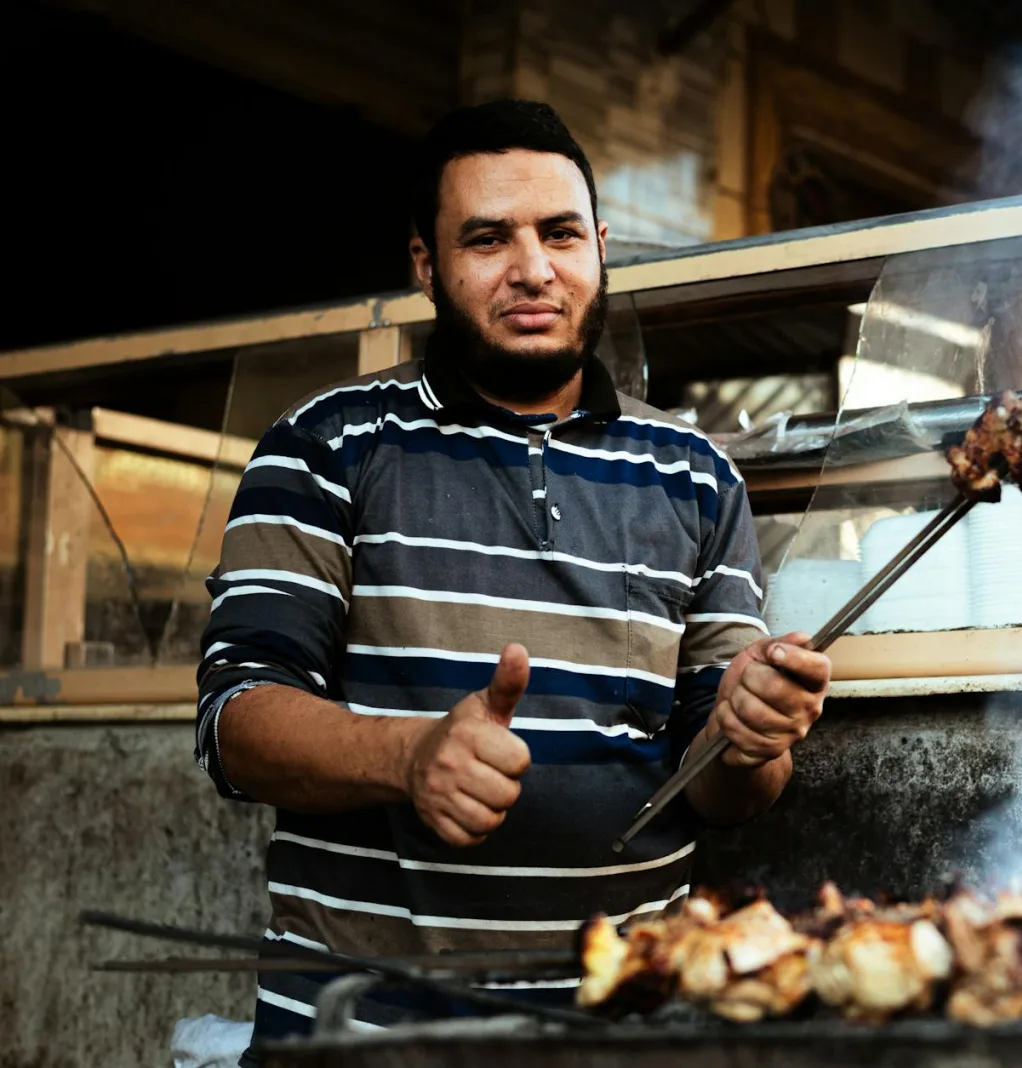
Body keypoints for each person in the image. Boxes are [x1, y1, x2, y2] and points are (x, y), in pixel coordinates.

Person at [193, 99, 830, 1054]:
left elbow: (728, 790)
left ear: (601, 248)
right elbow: (234, 725)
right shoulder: (328, 446)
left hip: (627, 1028)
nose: (533, 269)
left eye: (560, 233)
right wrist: (407, 758)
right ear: (427, 265)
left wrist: (749, 734)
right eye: (488, 238)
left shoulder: (695, 476)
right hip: (362, 1032)